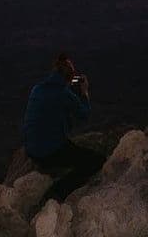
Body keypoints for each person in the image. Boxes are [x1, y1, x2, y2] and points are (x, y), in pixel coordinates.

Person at [22, 53, 104, 201]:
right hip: (49, 151)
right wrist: (84, 92)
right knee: (96, 161)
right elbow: (84, 114)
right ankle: (58, 192)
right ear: (70, 76)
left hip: (31, 148)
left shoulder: (37, 88)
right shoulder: (63, 93)